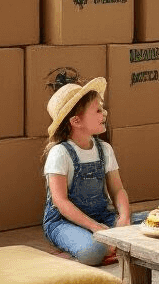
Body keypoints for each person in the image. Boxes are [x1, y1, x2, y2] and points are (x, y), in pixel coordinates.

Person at [42, 77, 142, 265]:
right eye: (97, 110)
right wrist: (95, 227)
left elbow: (118, 190)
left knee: (151, 225)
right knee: (92, 251)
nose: (104, 113)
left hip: (101, 217)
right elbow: (60, 202)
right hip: (63, 222)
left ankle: (112, 243)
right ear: (76, 121)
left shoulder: (104, 149)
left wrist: (124, 218)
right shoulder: (60, 153)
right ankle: (106, 245)